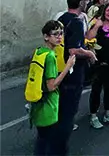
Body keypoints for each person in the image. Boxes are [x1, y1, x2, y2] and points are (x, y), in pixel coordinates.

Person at [57, 0, 96, 154]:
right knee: (68, 112)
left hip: (60, 68)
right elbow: (74, 49)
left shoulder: (61, 19)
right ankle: (60, 148)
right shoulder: (77, 21)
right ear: (81, 2)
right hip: (73, 72)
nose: (87, 2)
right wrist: (89, 53)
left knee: (59, 108)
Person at [31, 20, 76, 156]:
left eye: (61, 33)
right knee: (49, 140)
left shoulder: (40, 51)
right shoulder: (50, 57)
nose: (59, 37)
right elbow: (51, 86)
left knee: (42, 138)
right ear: (46, 36)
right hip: (49, 104)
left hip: (39, 101)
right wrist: (67, 67)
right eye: (55, 34)